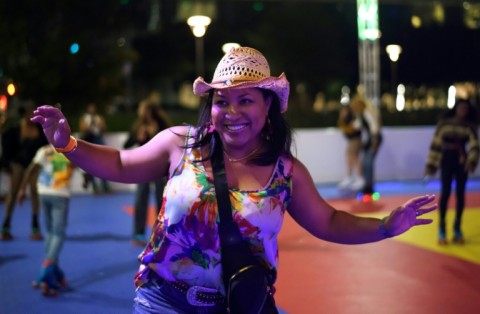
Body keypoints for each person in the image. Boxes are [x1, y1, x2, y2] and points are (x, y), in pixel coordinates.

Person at [32, 47, 437, 313]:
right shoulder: (180, 144)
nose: (232, 112)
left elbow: (329, 222)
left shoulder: (286, 173)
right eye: (222, 101)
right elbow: (121, 164)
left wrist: (385, 227)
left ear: (269, 107)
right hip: (164, 302)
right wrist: (69, 144)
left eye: (245, 100)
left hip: (242, 305)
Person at [17, 144, 74, 296]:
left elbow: (31, 169)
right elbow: (86, 167)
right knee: (59, 233)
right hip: (60, 194)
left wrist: (22, 189)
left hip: (43, 192)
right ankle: (46, 272)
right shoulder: (71, 149)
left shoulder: (43, 150)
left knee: (50, 232)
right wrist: (87, 180)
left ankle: (56, 273)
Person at [425, 98, 479, 245]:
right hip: (446, 159)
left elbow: (475, 145)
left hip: (462, 161)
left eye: (466, 108)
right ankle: (442, 228)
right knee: (445, 193)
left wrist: (472, 161)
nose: (463, 110)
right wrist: (431, 164)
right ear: (455, 108)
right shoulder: (444, 124)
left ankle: (457, 228)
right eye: (461, 107)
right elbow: (436, 144)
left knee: (461, 194)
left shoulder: (470, 126)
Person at [123, 99, 171, 246]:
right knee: (140, 199)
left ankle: (159, 233)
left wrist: (154, 135)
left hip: (159, 166)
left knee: (160, 200)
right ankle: (138, 233)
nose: (143, 114)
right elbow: (127, 144)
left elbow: (169, 141)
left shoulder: (161, 125)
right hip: (143, 166)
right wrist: (138, 138)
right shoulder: (139, 126)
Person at [1, 104, 48, 240]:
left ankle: (35, 226)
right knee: (13, 191)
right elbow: (7, 146)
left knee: (34, 190)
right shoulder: (15, 130)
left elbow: (45, 147)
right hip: (18, 163)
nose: (31, 117)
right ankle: (6, 225)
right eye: (29, 114)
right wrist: (6, 164)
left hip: (33, 163)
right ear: (24, 115)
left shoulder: (39, 129)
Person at [350, 97, 382, 196]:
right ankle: (367, 186)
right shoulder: (361, 115)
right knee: (365, 163)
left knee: (368, 163)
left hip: (374, 139)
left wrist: (373, 144)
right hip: (370, 140)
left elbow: (374, 128)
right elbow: (357, 125)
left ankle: (369, 187)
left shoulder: (367, 112)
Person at [78, 102, 110, 194]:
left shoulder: (99, 118)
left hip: (98, 139)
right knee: (91, 164)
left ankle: (105, 186)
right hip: (89, 139)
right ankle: (95, 187)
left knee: (103, 163)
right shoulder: (84, 118)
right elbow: (83, 129)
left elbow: (104, 128)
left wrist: (98, 123)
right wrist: (90, 124)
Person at [337, 104, 364, 191]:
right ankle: (349, 177)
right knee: (348, 157)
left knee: (353, 157)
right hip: (352, 140)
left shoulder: (354, 119)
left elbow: (355, 129)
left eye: (345, 111)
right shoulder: (344, 120)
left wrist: (348, 126)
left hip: (356, 139)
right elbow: (345, 130)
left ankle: (360, 178)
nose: (343, 112)